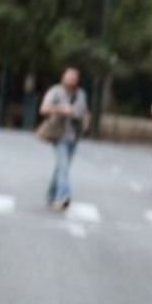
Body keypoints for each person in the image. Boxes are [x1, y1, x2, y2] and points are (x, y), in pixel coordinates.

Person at [39, 66, 89, 211]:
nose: (72, 80)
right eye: (69, 76)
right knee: (63, 165)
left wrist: (86, 122)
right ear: (63, 77)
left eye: (74, 77)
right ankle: (63, 197)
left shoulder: (80, 94)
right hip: (59, 134)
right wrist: (62, 108)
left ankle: (50, 194)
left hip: (74, 135)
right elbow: (44, 109)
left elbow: (84, 110)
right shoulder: (55, 91)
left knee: (62, 167)